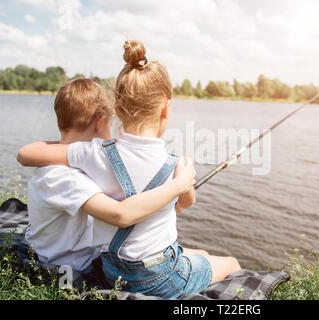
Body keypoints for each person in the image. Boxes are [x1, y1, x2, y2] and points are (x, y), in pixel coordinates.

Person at [17, 40, 241, 298]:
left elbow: (26, 154)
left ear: (118, 110)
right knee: (231, 263)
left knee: (199, 255)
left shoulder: (94, 154)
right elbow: (184, 203)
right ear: (166, 109)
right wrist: (182, 184)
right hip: (160, 274)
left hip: (114, 268)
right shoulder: (175, 164)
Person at [17, 78, 196, 275]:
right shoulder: (65, 177)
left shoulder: (64, 165)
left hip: (67, 252)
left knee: (192, 254)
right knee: (195, 257)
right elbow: (121, 214)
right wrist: (179, 184)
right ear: (101, 123)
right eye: (110, 125)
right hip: (75, 265)